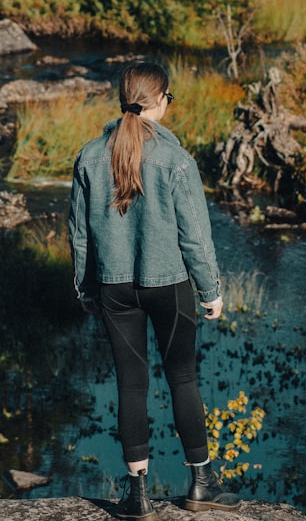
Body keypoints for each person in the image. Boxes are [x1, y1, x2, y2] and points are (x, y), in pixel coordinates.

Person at [69, 62, 240, 519]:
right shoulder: (177, 161)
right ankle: (201, 485)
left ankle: (137, 496)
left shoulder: (88, 156)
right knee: (182, 377)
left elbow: (80, 234)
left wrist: (86, 288)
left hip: (113, 287)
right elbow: (195, 237)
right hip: (170, 284)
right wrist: (212, 291)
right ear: (160, 100)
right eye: (171, 98)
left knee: (130, 383)